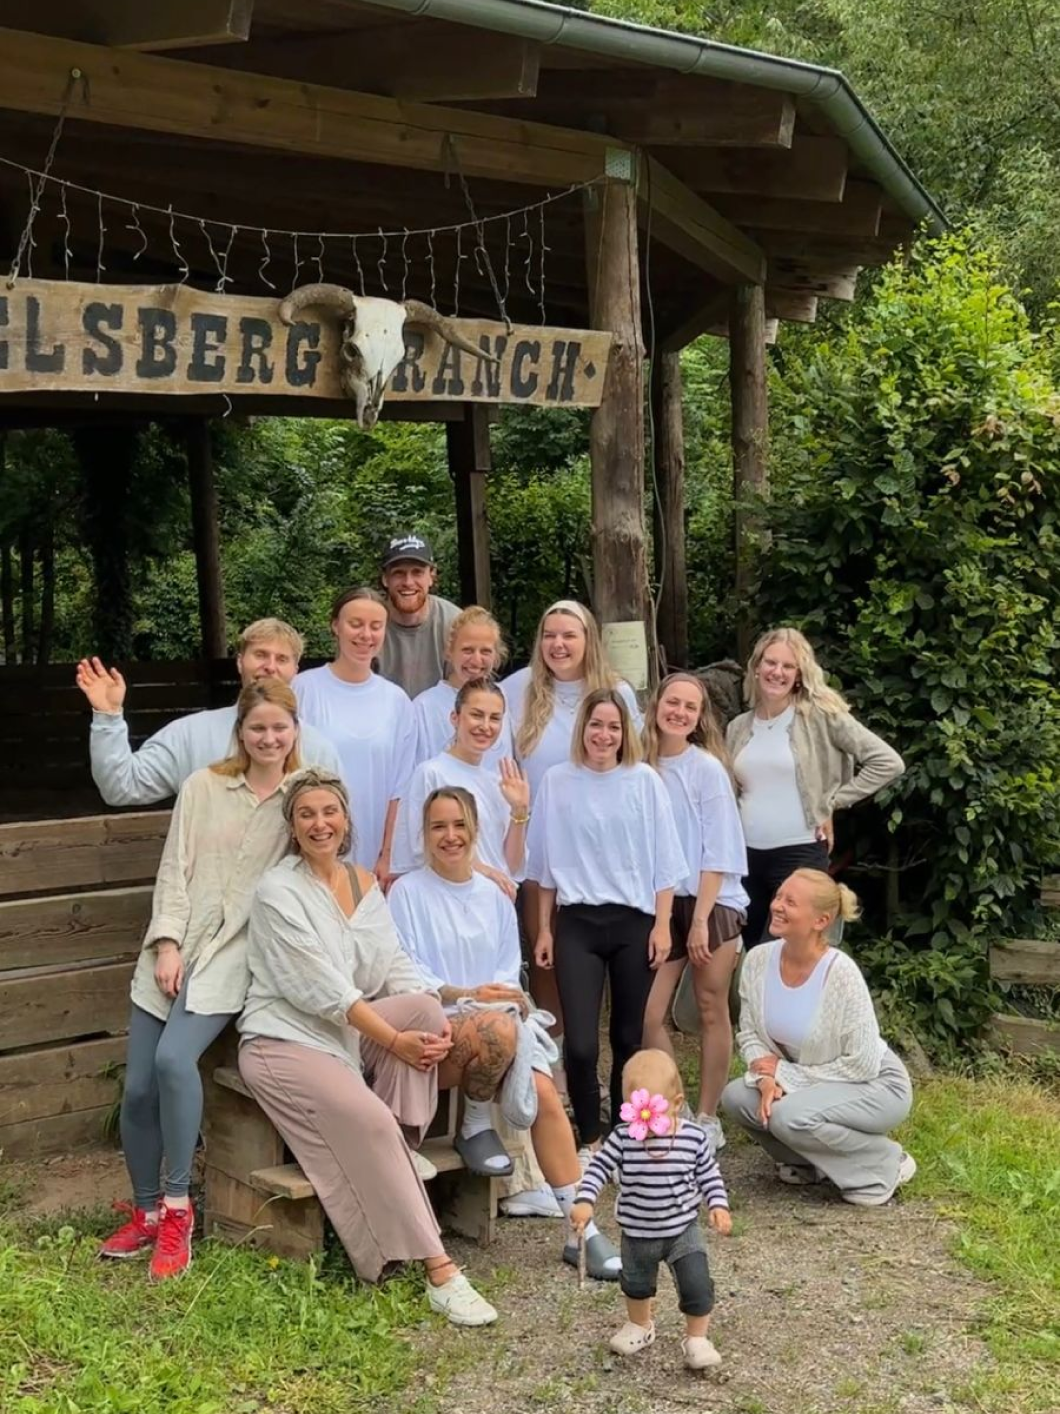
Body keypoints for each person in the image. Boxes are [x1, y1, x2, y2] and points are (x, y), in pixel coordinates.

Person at [238, 768, 502, 1325]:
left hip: (344, 1038)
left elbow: (396, 968)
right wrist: (396, 1042)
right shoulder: (277, 892)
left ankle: (400, 1151)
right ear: (291, 826)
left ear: (346, 819)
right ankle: (440, 1272)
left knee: (426, 1011)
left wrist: (444, 1017)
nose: (319, 823)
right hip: (285, 1040)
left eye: (329, 812)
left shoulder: (363, 882)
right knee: (373, 1121)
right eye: (306, 814)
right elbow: (322, 990)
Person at [98, 679, 303, 1281]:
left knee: (172, 1061)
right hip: (175, 944)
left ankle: (180, 1206)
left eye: (280, 727)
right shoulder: (203, 786)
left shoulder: (303, 796)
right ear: (240, 731)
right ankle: (145, 1212)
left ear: (295, 731)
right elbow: (175, 869)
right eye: (257, 727)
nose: (268, 738)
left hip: (237, 957)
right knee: (138, 1088)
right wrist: (165, 943)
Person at [390, 786, 622, 1281]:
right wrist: (469, 994)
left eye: (459, 826)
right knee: (496, 1027)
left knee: (544, 1092)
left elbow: (505, 969)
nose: (449, 836)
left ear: (474, 830)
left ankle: (580, 1229)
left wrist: (499, 998)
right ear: (424, 834)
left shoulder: (492, 897)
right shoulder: (407, 892)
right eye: (438, 826)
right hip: (438, 1030)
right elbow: (406, 973)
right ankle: (475, 1122)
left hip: (499, 1025)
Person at [530, 689, 686, 1164]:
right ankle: (590, 1135)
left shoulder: (644, 782)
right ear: (583, 729)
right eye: (596, 725)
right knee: (578, 1042)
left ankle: (623, 1134)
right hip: (577, 920)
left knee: (627, 1037)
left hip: (634, 921)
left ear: (625, 733)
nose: (604, 735)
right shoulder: (558, 781)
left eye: (614, 727)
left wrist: (662, 926)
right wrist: (544, 929)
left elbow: (666, 863)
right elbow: (543, 866)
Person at [721, 869, 916, 1206]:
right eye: (779, 896)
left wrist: (784, 1074)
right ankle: (808, 1163)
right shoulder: (757, 960)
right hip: (811, 1079)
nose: (777, 905)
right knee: (738, 1097)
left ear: (820, 920)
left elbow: (863, 1064)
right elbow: (750, 1032)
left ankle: (885, 1162)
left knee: (789, 1114)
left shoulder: (841, 973)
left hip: (876, 1084)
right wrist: (766, 1078)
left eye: (790, 902)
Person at [502, 599, 643, 1039]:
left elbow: (634, 767)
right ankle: (554, 1058)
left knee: (596, 961)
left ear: (589, 641)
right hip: (541, 849)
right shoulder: (516, 690)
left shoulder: (615, 693)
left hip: (602, 853)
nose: (558, 644)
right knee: (545, 955)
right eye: (549, 635)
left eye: (569, 635)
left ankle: (592, 1052)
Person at [727, 627, 905, 947]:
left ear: (799, 674)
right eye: (770, 662)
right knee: (752, 957)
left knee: (786, 951)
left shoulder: (820, 717)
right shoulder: (737, 727)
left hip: (799, 854)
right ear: (756, 667)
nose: (777, 672)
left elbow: (888, 762)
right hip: (744, 858)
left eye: (788, 666)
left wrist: (833, 802)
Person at [640, 673, 748, 1154]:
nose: (679, 712)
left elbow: (719, 849)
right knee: (647, 1014)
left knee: (710, 1007)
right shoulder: (638, 765)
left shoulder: (706, 770)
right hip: (661, 902)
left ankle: (707, 1116)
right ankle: (677, 1108)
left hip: (711, 900)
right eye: (672, 702)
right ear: (657, 705)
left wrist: (703, 918)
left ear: (699, 716)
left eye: (690, 706)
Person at [571, 1049, 731, 1369]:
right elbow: (599, 1167)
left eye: (653, 1109)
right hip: (637, 1229)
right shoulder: (624, 1138)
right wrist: (585, 1200)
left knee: (696, 1282)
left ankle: (697, 1338)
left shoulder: (693, 1138)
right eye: (636, 1109)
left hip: (682, 1227)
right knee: (636, 1282)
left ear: (676, 1103)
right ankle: (640, 1326)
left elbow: (709, 1173)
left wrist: (718, 1204)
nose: (646, 1119)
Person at [76, 618, 341, 806]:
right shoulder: (189, 735)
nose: (269, 666)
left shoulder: (318, 749)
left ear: (296, 669)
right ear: (240, 662)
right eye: (260, 654)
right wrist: (108, 718)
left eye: (282, 659)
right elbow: (120, 788)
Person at [293, 587, 416, 883]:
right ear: (335, 625)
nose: (366, 635)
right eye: (355, 624)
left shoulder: (397, 701)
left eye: (376, 626)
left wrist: (388, 856)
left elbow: (401, 788)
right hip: (312, 856)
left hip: (374, 862)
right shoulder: (303, 689)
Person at [392, 679, 529, 884]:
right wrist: (483, 871)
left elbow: (513, 866)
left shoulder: (499, 784)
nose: (485, 726)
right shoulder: (431, 774)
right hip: (448, 898)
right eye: (476, 715)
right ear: (455, 718)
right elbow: (420, 848)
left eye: (494, 718)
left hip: (497, 903)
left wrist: (519, 811)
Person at [413, 605, 512, 768]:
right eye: (467, 650)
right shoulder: (424, 706)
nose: (476, 660)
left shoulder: (502, 697)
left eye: (485, 651)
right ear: (450, 651)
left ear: (496, 656)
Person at [375, 533, 461, 699]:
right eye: (399, 573)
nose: (408, 582)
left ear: (432, 576)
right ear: (385, 578)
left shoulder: (456, 624)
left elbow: (468, 693)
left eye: (417, 572)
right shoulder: (368, 624)